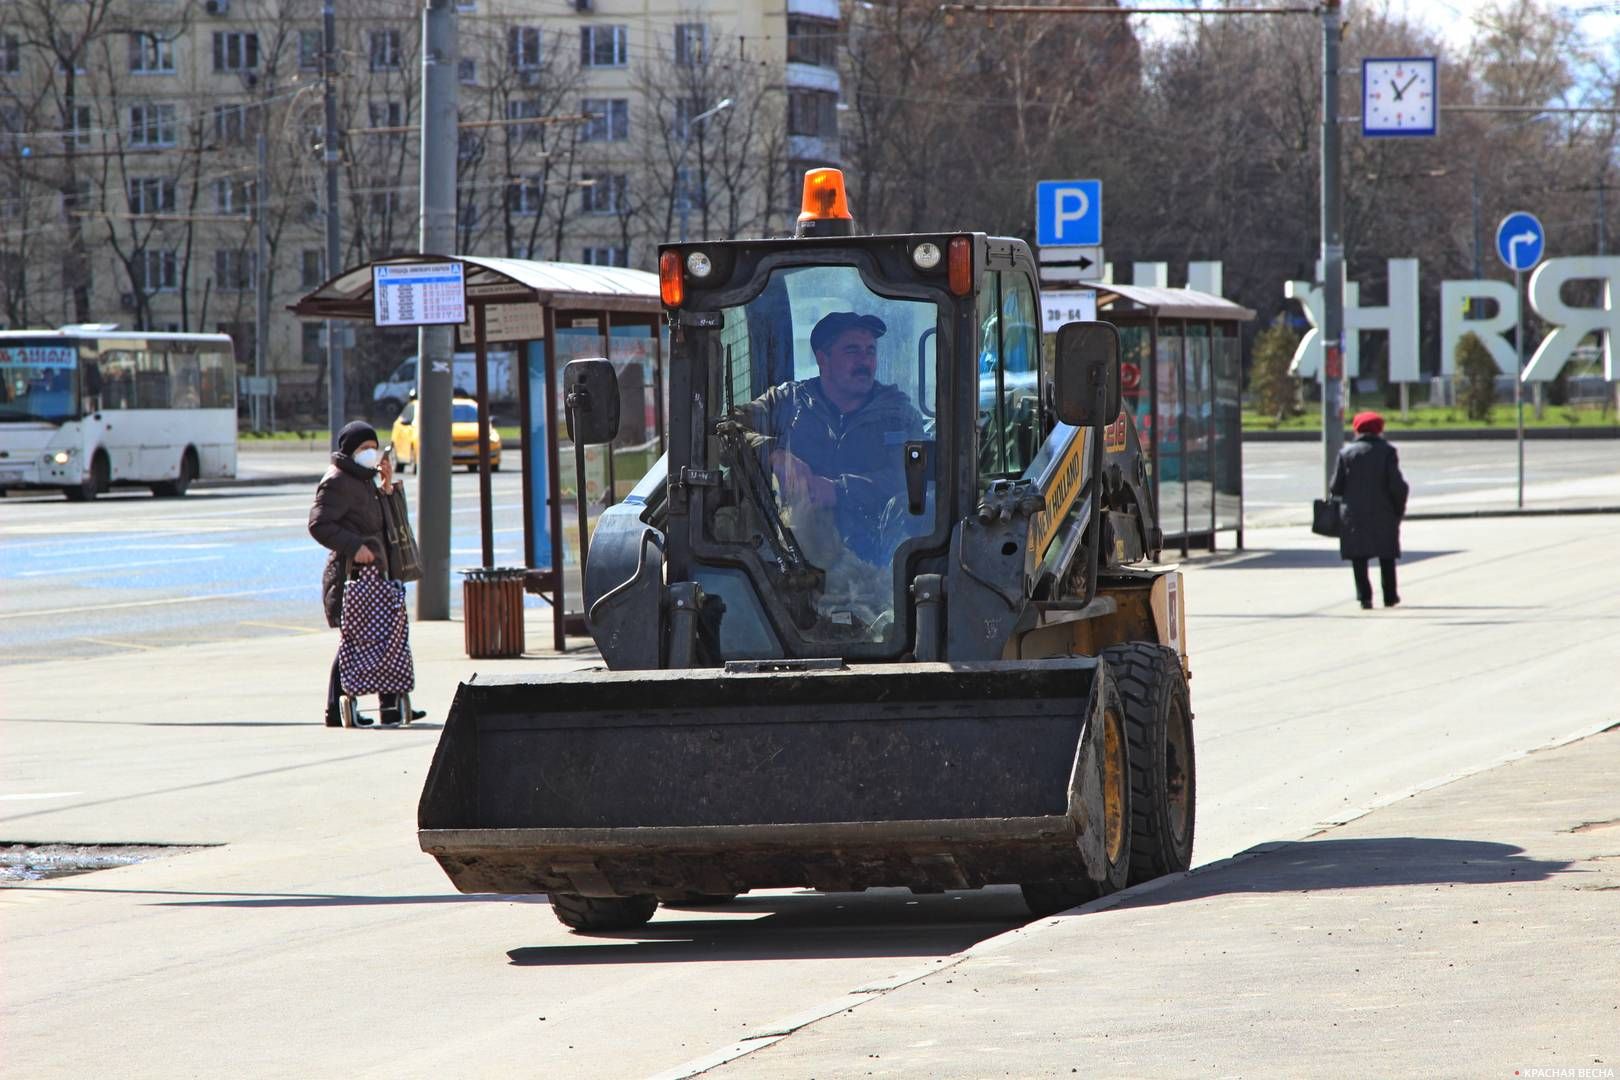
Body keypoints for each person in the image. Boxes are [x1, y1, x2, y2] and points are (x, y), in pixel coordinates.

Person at [732, 311, 928, 566]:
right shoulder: (788, 402)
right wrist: (773, 454)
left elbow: (916, 480)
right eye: (852, 351)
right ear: (822, 359)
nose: (864, 361)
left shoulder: (898, 415)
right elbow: (723, 430)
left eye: (870, 351)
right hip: (789, 564)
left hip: (878, 566)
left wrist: (840, 490)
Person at [309, 421, 408, 727]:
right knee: (354, 641)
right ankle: (333, 710)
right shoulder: (337, 480)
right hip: (351, 575)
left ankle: (390, 705)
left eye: (373, 447)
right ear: (350, 451)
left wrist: (388, 488)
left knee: (387, 636)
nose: (370, 453)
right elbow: (319, 524)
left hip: (377, 572)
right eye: (364, 448)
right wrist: (354, 547)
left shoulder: (366, 478)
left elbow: (383, 521)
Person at [1331, 410, 1410, 610]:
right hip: (1383, 511)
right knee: (1386, 554)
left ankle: (1364, 597)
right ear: (1379, 429)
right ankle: (1390, 596)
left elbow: (1336, 486)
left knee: (1359, 555)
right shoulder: (1387, 452)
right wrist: (1398, 508)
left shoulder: (1346, 453)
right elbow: (1397, 485)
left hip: (1354, 514)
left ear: (1357, 429)